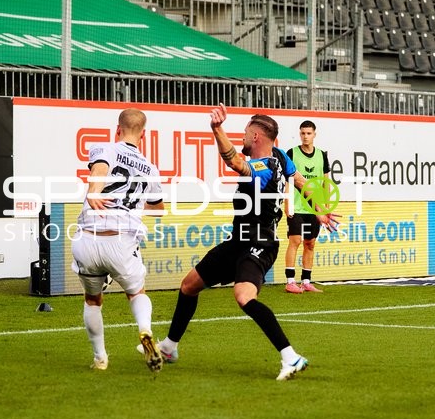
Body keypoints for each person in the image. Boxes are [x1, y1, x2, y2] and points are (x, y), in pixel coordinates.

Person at [154, 104, 339, 381]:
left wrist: (217, 129)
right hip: (238, 240)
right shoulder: (280, 156)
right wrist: (320, 209)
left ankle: (291, 356)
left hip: (260, 242)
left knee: (243, 296)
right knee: (189, 285)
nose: (241, 137)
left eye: (244, 133)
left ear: (256, 137)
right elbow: (300, 182)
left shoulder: (262, 166)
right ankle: (169, 347)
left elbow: (234, 162)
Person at [71, 108, 165, 371]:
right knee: (136, 293)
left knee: (92, 300)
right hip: (121, 242)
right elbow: (157, 208)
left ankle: (100, 358)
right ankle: (145, 331)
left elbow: (99, 171)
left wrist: (94, 192)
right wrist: (131, 206)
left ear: (117, 129)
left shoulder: (104, 149)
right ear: (143, 135)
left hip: (88, 239)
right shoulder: (150, 168)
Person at [284, 120, 330, 294]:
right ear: (299, 134)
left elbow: (325, 182)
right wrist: (287, 204)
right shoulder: (292, 153)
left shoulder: (322, 155)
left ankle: (306, 281)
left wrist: (325, 207)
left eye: (309, 133)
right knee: (295, 241)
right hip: (296, 206)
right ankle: (290, 282)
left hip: (314, 208)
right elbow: (288, 180)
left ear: (314, 135)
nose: (305, 136)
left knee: (310, 244)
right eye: (303, 133)